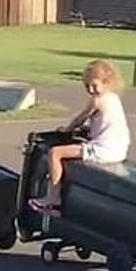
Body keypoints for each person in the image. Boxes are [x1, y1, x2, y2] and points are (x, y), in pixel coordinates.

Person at [28, 58, 130, 217]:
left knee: (55, 153)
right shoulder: (113, 98)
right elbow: (103, 123)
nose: (90, 90)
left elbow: (79, 119)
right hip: (119, 149)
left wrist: (67, 130)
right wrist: (86, 130)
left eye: (94, 85)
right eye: (87, 86)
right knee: (74, 148)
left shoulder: (98, 100)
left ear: (107, 82)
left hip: (103, 150)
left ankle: (53, 199)